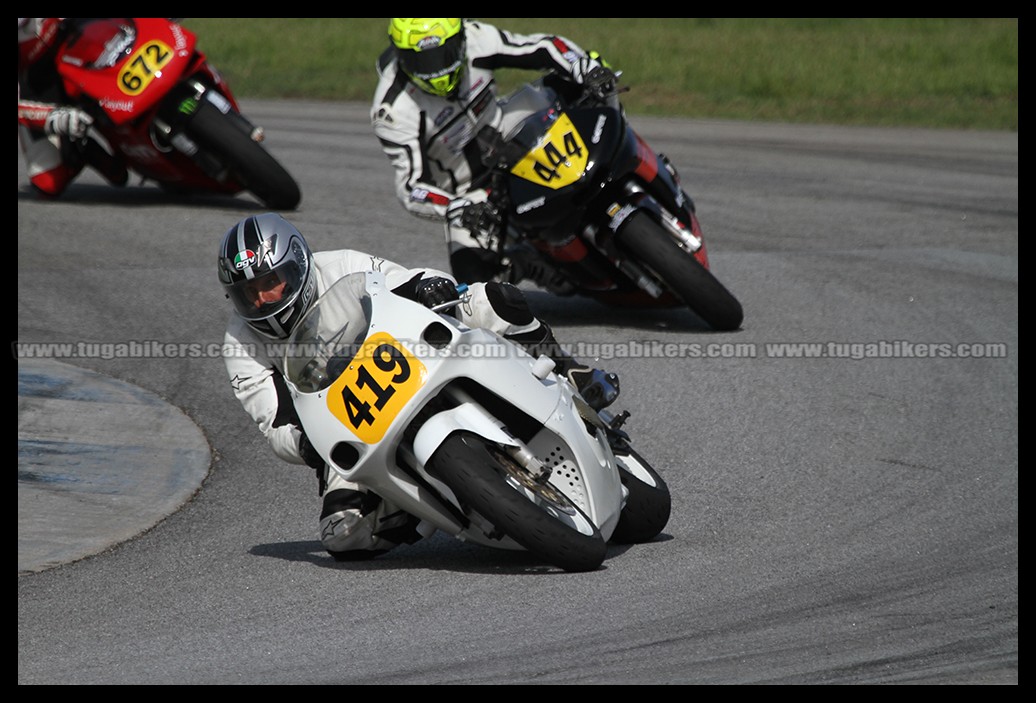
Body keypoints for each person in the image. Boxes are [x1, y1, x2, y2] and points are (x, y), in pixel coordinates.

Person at [218, 213, 620, 561]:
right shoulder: (240, 345)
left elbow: (408, 280)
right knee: (343, 536)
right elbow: (274, 424)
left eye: (270, 281)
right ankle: (421, 507)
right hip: (352, 420)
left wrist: (430, 287)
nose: (262, 299)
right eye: (247, 294)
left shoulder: (340, 265)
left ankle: (569, 371)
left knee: (489, 300)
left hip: (410, 355)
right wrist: (306, 442)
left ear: (297, 263)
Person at [371, 18, 617, 290]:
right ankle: (523, 263)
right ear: (401, 55)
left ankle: (626, 160)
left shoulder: (476, 39)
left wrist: (585, 67)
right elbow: (411, 187)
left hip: (514, 128)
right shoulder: (393, 110)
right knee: (472, 284)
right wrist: (455, 207)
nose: (436, 69)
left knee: (585, 73)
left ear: (460, 37)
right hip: (470, 190)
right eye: (423, 61)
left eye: (443, 54)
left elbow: (545, 46)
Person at [18, 17, 127, 198]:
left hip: (74, 34)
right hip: (37, 81)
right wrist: (51, 118)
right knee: (48, 182)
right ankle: (80, 150)